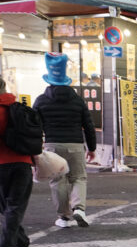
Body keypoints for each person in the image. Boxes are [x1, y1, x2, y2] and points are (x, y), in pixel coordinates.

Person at [33, 52, 96, 229]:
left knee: (58, 180)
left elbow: (34, 127)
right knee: (78, 177)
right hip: (75, 145)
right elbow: (89, 125)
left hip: (52, 146)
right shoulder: (77, 100)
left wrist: (36, 150)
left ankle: (64, 217)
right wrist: (91, 148)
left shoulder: (41, 100)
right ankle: (79, 208)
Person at [0, 78, 32, 247]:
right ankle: (20, 241)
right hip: (22, 163)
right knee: (14, 207)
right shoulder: (19, 108)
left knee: (7, 208)